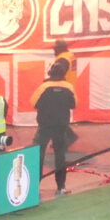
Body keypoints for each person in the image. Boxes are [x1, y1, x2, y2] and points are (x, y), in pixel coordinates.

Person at [32, 63, 77, 195]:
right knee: (60, 157)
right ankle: (61, 187)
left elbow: (33, 103)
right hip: (61, 126)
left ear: (50, 72)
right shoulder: (68, 87)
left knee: (38, 155)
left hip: (45, 126)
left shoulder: (43, 87)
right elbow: (74, 104)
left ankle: (34, 188)